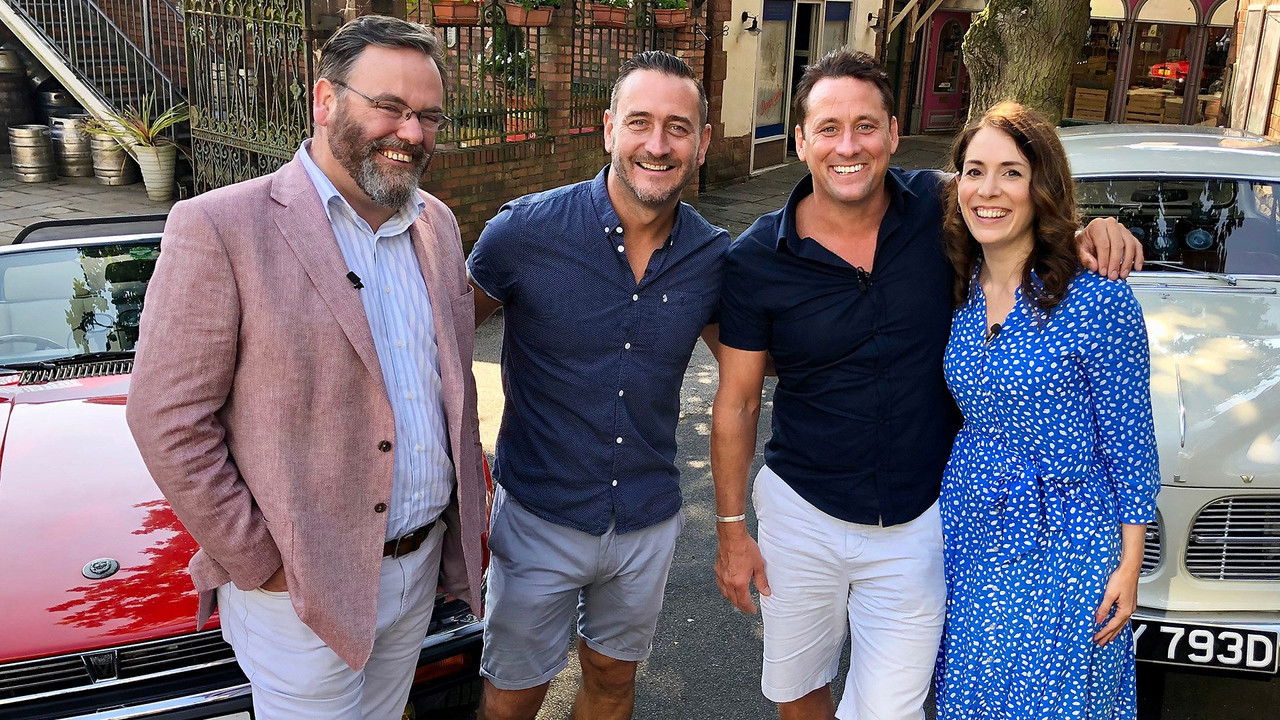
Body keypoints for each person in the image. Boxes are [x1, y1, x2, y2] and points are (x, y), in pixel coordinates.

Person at [709, 49, 1143, 720]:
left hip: (922, 520)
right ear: (800, 140)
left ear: (892, 132)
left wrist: (1088, 230)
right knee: (798, 690)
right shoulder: (755, 259)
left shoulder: (940, 211)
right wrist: (732, 530)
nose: (847, 146)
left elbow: (1006, 199)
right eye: (828, 128)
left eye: (865, 125)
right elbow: (737, 402)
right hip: (803, 510)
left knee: (892, 710)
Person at [126, 16, 487, 719]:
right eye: (389, 107)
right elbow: (167, 419)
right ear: (325, 100)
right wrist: (260, 561)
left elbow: (447, 387)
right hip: (298, 592)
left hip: (418, 567)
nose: (411, 132)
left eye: (428, 116)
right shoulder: (221, 227)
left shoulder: (436, 224)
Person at [467, 51, 728, 720]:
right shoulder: (524, 231)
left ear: (702, 142)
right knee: (512, 695)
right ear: (610, 128)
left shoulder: (713, 256)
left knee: (613, 682)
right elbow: (435, 346)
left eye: (677, 127)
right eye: (640, 122)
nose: (657, 144)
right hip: (538, 515)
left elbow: (759, 365)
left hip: (646, 518)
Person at [935, 101, 1158, 719]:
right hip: (971, 529)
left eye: (1011, 172)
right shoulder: (956, 286)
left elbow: (1130, 440)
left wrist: (1129, 565)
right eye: (974, 171)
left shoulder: (1098, 301)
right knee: (972, 696)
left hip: (1068, 538)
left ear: (1042, 187)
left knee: (1058, 701)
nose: (989, 190)